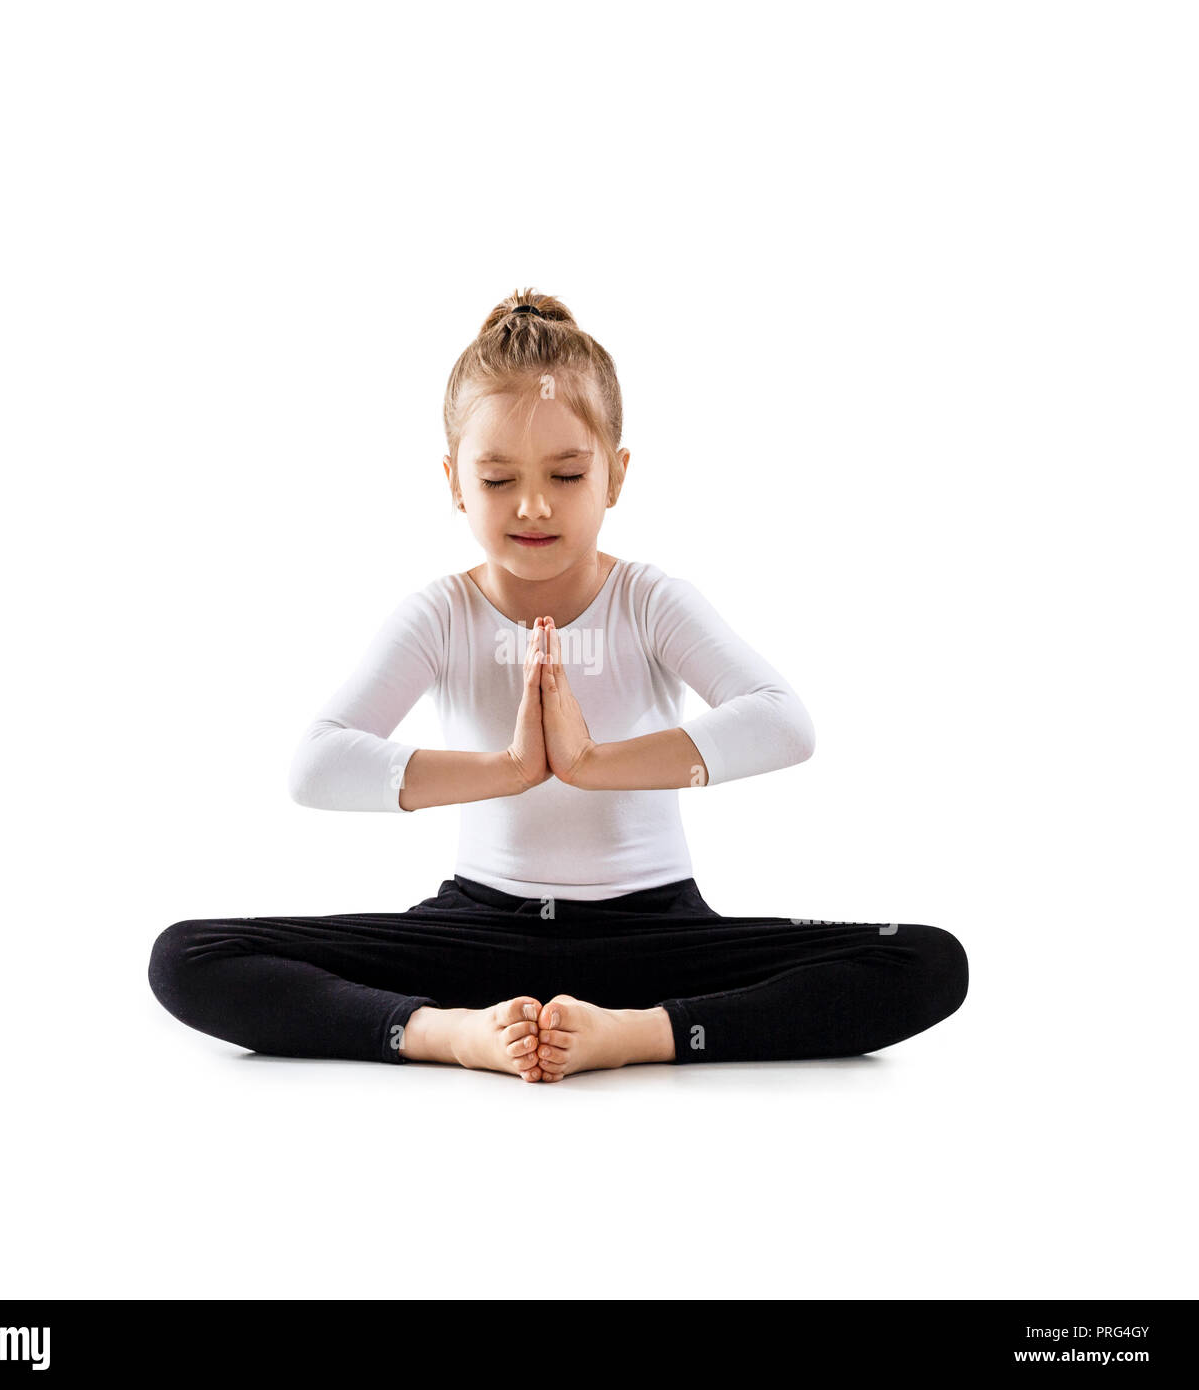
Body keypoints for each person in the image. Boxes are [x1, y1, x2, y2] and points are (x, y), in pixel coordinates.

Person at [148, 289, 968, 1082]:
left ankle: (644, 1034)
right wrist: (509, 769)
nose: (534, 505)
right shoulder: (440, 613)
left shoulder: (649, 600)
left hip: (656, 937)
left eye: (568, 476)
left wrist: (587, 760)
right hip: (477, 935)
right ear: (453, 480)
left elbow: (785, 723)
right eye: (499, 479)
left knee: (925, 960)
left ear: (615, 474)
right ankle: (442, 1034)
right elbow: (314, 766)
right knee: (188, 955)